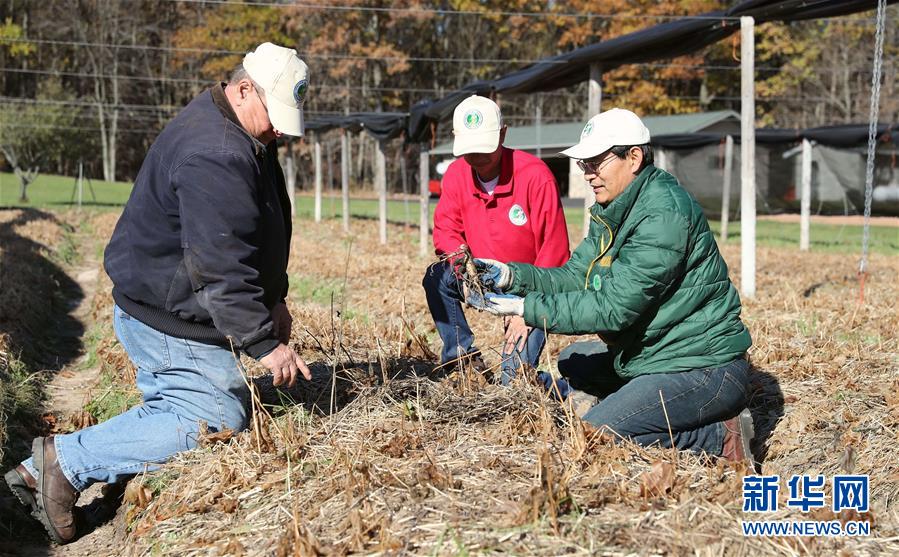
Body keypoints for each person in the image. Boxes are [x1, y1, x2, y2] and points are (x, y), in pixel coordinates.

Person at [3, 42, 312, 544]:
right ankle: (61, 465)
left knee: (200, 407)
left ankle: (118, 455)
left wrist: (273, 297)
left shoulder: (237, 130)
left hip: (176, 304)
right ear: (243, 88)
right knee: (217, 418)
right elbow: (218, 266)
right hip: (166, 316)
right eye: (275, 114)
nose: (280, 128)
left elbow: (258, 228)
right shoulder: (215, 153)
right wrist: (263, 342)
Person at [470, 108, 755, 466]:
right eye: (583, 165)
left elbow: (613, 309)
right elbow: (574, 276)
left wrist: (526, 309)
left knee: (596, 433)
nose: (588, 174)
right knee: (571, 359)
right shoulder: (617, 210)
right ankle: (636, 404)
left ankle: (720, 437)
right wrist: (513, 277)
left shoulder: (662, 216)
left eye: (595, 163)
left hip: (702, 368)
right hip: (655, 353)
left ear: (633, 157)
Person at [423, 95, 570, 384]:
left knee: (512, 381)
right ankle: (461, 357)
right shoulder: (455, 175)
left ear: (503, 133)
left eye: (485, 148)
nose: (477, 157)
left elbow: (555, 252)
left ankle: (568, 391)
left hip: (530, 286)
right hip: (480, 274)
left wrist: (527, 310)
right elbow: (446, 230)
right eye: (470, 149)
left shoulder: (535, 177)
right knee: (436, 277)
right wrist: (462, 270)